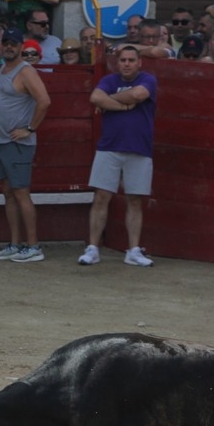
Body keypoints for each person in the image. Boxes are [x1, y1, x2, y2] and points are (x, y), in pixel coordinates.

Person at [0, 26, 51, 263]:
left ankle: (33, 246)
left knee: (20, 193)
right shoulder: (6, 68)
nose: (10, 47)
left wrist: (29, 129)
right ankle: (15, 243)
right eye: (6, 43)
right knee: (10, 193)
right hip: (3, 141)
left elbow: (44, 101)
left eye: (14, 43)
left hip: (17, 143)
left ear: (21, 46)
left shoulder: (26, 71)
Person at [80, 44, 157, 268]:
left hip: (139, 148)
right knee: (101, 197)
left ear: (139, 62)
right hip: (110, 147)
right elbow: (95, 97)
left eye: (131, 60)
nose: (127, 64)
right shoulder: (109, 80)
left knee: (135, 200)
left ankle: (133, 250)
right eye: (123, 60)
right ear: (118, 62)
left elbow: (138, 94)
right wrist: (124, 106)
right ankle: (93, 248)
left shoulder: (147, 79)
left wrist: (110, 101)